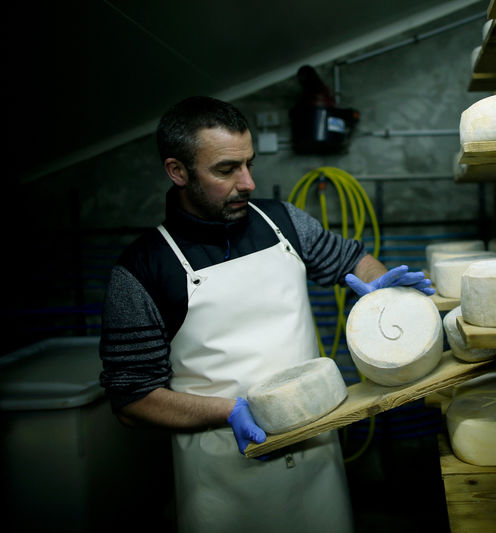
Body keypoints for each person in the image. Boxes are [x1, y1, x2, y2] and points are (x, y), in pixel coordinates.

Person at [99, 95, 434, 533]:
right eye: (226, 170)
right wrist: (228, 412)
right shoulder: (142, 269)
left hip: (318, 457)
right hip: (225, 475)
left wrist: (379, 287)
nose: (248, 182)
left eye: (249, 164)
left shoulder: (283, 223)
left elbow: (352, 259)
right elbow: (131, 400)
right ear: (177, 171)